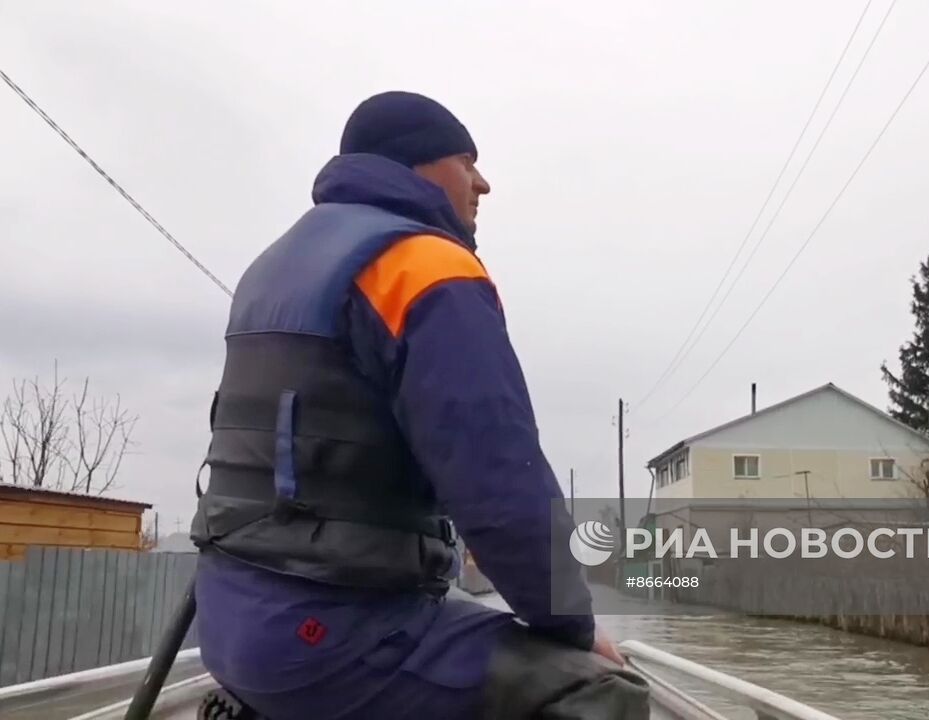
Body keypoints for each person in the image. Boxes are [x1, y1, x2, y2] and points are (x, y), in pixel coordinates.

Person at [189, 91, 649, 719]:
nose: (483, 183)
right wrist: (575, 626)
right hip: (331, 637)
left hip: (229, 624)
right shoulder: (423, 266)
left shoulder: (271, 269)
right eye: (468, 160)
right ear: (421, 166)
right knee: (600, 694)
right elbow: (500, 486)